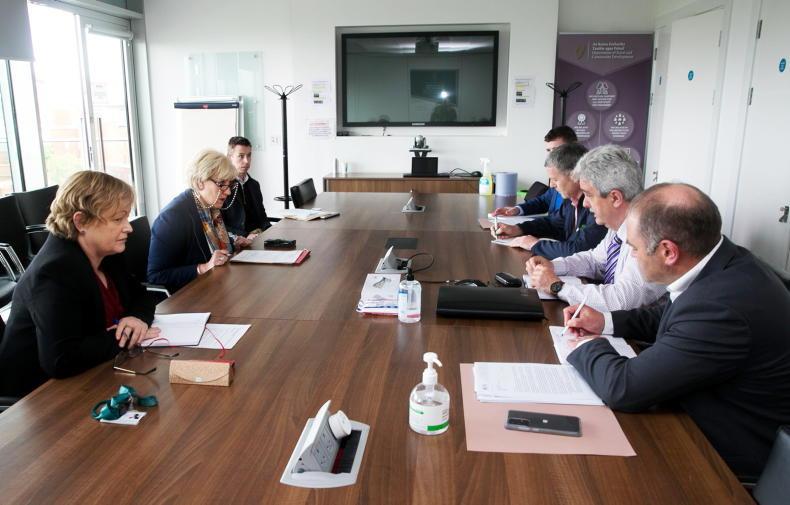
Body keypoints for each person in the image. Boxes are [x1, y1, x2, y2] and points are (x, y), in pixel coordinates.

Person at [562, 183, 790, 481]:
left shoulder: (720, 308)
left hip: (720, 460)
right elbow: (671, 316)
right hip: (696, 411)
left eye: (634, 248)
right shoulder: (723, 262)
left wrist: (585, 344)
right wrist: (605, 321)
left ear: (668, 251)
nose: (631, 256)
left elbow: (624, 387)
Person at [0, 171, 159, 398]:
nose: (128, 227)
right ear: (81, 221)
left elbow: (142, 295)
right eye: (118, 219)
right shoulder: (54, 272)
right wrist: (125, 337)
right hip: (37, 397)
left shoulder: (106, 253)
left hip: (95, 373)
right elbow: (61, 360)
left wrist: (137, 318)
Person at [526, 144, 665, 311]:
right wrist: (553, 266)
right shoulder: (618, 227)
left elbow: (620, 300)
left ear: (615, 198)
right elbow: (595, 261)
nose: (585, 203)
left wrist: (557, 287)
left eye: (589, 195)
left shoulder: (648, 234)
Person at [148, 149, 241, 293]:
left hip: (216, 286)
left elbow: (212, 247)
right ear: (199, 183)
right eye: (221, 183)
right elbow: (156, 276)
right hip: (191, 296)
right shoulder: (172, 218)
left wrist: (234, 243)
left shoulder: (210, 208)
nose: (228, 191)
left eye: (229, 185)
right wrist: (203, 268)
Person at [494, 143, 606, 259]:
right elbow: (552, 223)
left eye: (555, 179)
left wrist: (534, 244)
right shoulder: (570, 201)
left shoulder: (595, 206)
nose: (551, 185)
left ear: (575, 176)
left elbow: (579, 249)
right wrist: (518, 229)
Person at [492, 125, 578, 217]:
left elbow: (560, 221)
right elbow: (543, 201)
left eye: (556, 150)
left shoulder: (579, 184)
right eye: (549, 150)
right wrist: (517, 209)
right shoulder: (556, 175)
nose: (551, 155)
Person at [221, 136, 271, 237]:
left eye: (249, 155)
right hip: (239, 239)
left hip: (259, 236)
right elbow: (220, 225)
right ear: (229, 158)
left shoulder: (254, 185)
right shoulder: (223, 187)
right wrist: (246, 235)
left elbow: (262, 217)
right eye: (241, 156)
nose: (246, 161)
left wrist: (270, 231)